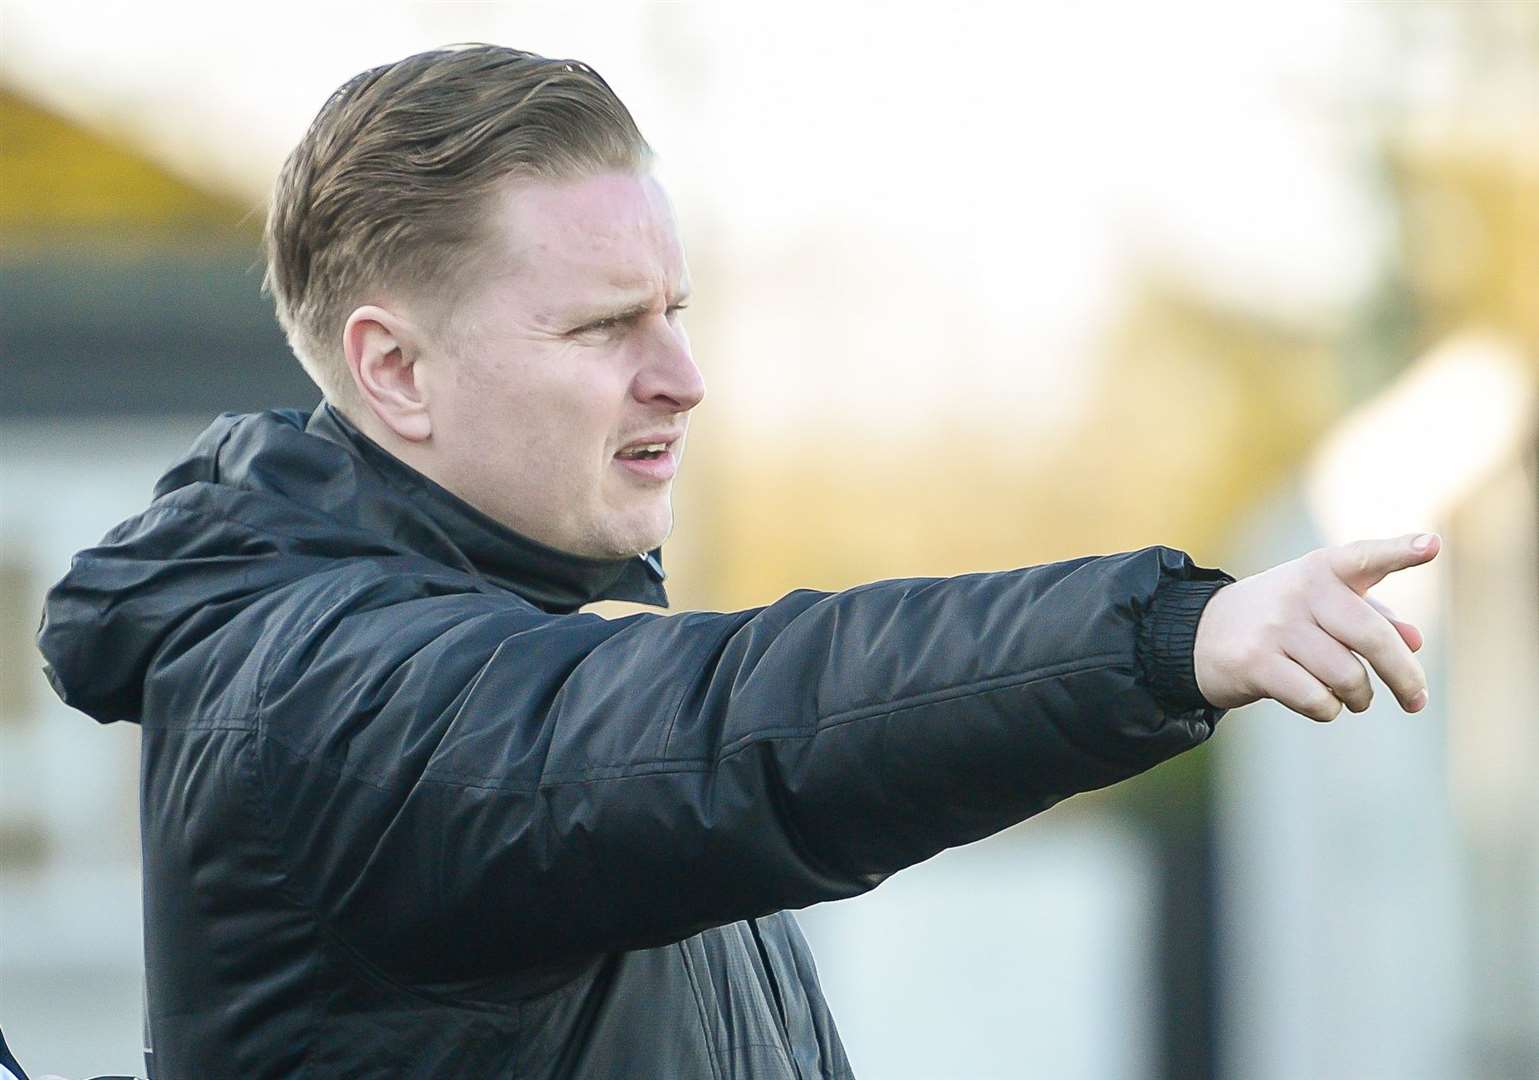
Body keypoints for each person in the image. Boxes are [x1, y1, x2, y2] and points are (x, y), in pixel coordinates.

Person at [36, 44, 1440, 1080]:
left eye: (676, 312)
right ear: (394, 370)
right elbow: (739, 719)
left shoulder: (477, 648)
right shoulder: (327, 700)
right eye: (603, 330)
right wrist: (1159, 636)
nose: (682, 377)